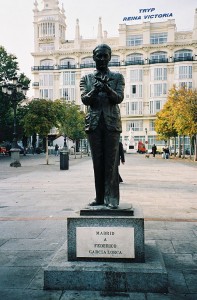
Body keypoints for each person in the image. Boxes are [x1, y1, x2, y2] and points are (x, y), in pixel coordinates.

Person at [80, 44, 125, 209]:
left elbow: (119, 98)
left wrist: (106, 88)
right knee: (97, 163)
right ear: (94, 57)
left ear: (110, 57)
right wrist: (94, 91)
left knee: (111, 163)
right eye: (99, 56)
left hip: (111, 124)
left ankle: (112, 198)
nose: (102, 59)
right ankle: (99, 198)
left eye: (105, 56)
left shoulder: (118, 77)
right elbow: (85, 99)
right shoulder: (86, 79)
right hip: (93, 124)